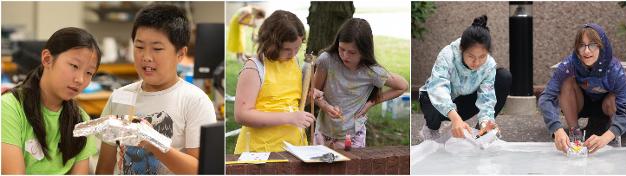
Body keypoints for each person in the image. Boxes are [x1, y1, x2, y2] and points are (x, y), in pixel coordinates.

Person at [96, 4, 216, 174]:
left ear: (180, 54)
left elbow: (199, 170)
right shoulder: (119, 97)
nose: (146, 57)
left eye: (157, 49)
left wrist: (153, 143)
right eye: (139, 47)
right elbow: (105, 167)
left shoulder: (195, 100)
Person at [2, 27, 102, 174]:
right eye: (74, 66)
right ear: (47, 59)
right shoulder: (9, 108)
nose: (80, 79)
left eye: (89, 73)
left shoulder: (80, 120)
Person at [538, 23, 626, 154]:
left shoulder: (615, 69)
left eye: (593, 45)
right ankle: (574, 133)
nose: (586, 51)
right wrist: (557, 129)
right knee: (566, 83)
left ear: (602, 46)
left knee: (614, 98)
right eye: (581, 45)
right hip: (580, 103)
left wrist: (605, 137)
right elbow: (546, 97)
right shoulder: (569, 64)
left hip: (607, 106)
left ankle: (613, 135)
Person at [313, 18, 408, 149]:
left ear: (364, 51)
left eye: (352, 52)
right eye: (341, 49)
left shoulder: (371, 71)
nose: (345, 56)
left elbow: (402, 86)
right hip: (323, 134)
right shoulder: (326, 60)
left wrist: (371, 103)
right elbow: (313, 93)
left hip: (353, 136)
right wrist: (325, 106)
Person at [418, 15, 512, 140]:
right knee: (432, 103)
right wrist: (455, 119)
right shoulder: (447, 55)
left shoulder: (489, 65)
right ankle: (431, 128)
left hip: (463, 102)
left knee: (504, 76)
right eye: (471, 56)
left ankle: (483, 130)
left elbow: (487, 97)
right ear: (462, 49)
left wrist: (487, 121)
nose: (477, 62)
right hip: (434, 100)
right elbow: (438, 88)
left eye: (482, 57)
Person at [233, 10, 314, 154]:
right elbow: (242, 114)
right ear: (271, 43)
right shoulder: (255, 67)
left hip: (294, 147)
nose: (293, 53)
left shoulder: (293, 61)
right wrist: (290, 118)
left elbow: (289, 102)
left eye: (297, 48)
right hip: (261, 152)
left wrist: (308, 98)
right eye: (287, 49)